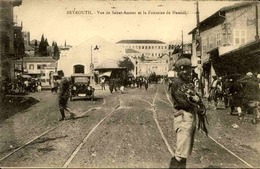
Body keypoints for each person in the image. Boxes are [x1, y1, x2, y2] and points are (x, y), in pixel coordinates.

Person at [169, 58, 208, 168]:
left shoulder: (188, 83)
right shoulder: (176, 83)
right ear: (181, 70)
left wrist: (199, 102)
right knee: (180, 154)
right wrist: (196, 104)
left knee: (184, 153)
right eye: (186, 69)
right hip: (183, 116)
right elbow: (183, 101)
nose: (189, 72)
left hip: (190, 117)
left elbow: (196, 97)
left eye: (190, 69)